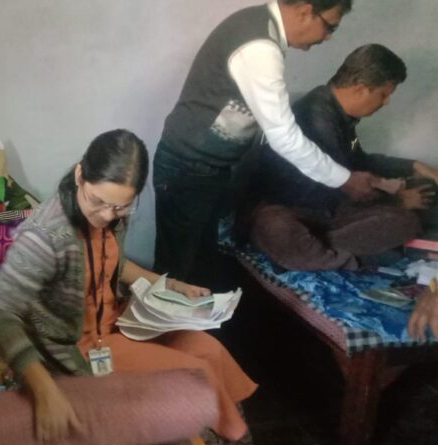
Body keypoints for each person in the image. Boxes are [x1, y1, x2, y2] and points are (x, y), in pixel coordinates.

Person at [0, 129, 257, 445]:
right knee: (195, 374)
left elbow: (112, 262)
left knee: (208, 349)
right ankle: (228, 439)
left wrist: (169, 284)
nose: (106, 216)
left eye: (120, 207)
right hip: (74, 345)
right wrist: (44, 389)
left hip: (115, 323)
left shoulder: (115, 215)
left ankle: (221, 430)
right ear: (80, 175)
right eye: (98, 202)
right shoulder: (43, 237)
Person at [153, 0, 377, 288]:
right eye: (330, 27)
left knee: (197, 262)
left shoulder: (259, 26)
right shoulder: (259, 47)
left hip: (204, 167)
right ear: (306, 11)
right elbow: (283, 136)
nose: (328, 37)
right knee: (177, 270)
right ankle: (163, 316)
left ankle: (189, 312)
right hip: (189, 167)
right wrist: (344, 180)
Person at [246, 44, 438, 271]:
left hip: (327, 211)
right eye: (384, 94)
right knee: (277, 229)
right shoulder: (316, 116)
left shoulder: (340, 116)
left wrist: (413, 166)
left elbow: (359, 160)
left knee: (408, 214)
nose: (386, 102)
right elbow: (336, 187)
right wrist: (397, 201)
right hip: (289, 209)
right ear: (361, 89)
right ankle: (340, 256)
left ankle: (320, 248)